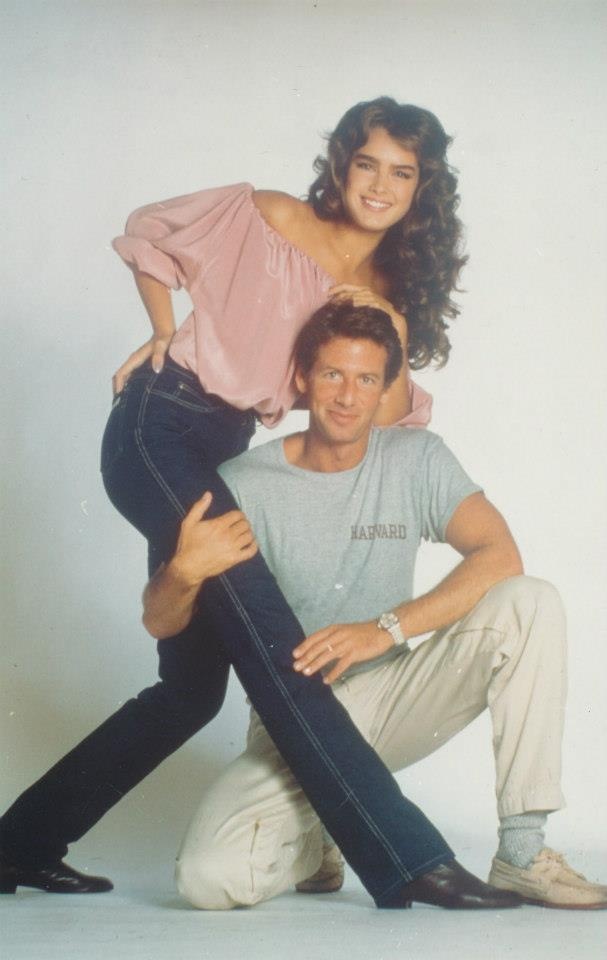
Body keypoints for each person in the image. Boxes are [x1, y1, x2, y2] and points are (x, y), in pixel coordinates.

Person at [1, 97, 508, 910]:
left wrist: (387, 322)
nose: (379, 185)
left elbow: (384, 419)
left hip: (223, 449)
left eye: (401, 172)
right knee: (275, 639)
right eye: (367, 163)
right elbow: (151, 231)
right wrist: (162, 330)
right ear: (341, 164)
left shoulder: (384, 285)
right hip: (159, 428)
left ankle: (16, 844)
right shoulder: (271, 215)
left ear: (422, 188)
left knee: (191, 691)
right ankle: (406, 855)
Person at [145, 302, 607, 911]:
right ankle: (323, 832)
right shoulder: (242, 483)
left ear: (387, 388)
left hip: (399, 694)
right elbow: (159, 620)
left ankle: (522, 853)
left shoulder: (416, 458)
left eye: (366, 379)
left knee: (530, 602)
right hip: (297, 717)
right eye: (332, 374)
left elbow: (500, 554)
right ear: (303, 378)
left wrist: (385, 630)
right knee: (208, 880)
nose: (347, 396)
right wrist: (184, 571)